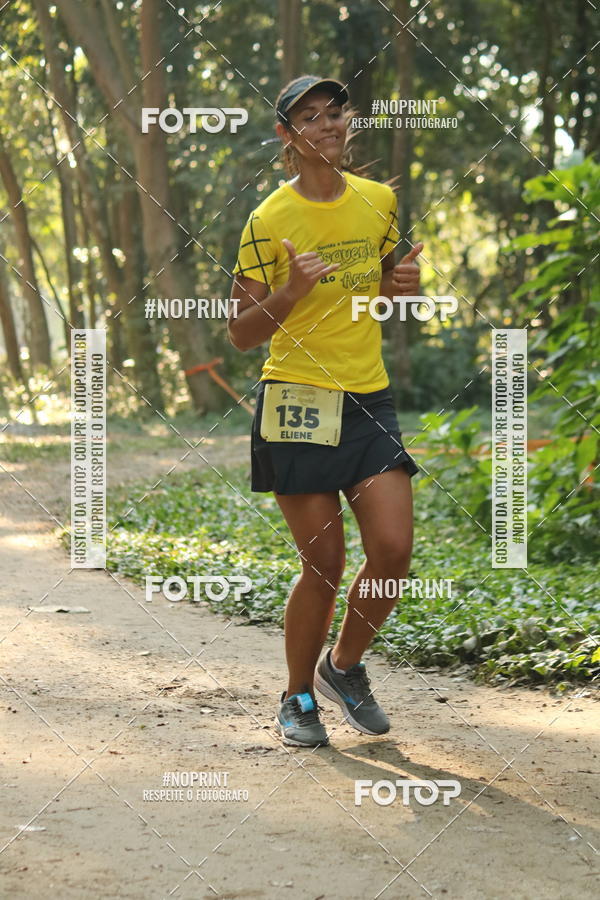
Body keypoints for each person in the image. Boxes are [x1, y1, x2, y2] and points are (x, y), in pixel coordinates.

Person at [228, 74, 423, 748]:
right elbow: (241, 331)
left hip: (367, 397)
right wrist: (290, 292)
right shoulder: (269, 220)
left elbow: (386, 292)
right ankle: (296, 697)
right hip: (296, 402)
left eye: (334, 114)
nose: (327, 126)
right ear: (287, 136)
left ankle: (342, 667)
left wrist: (403, 287)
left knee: (393, 549)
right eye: (309, 118)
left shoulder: (379, 201)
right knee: (325, 565)